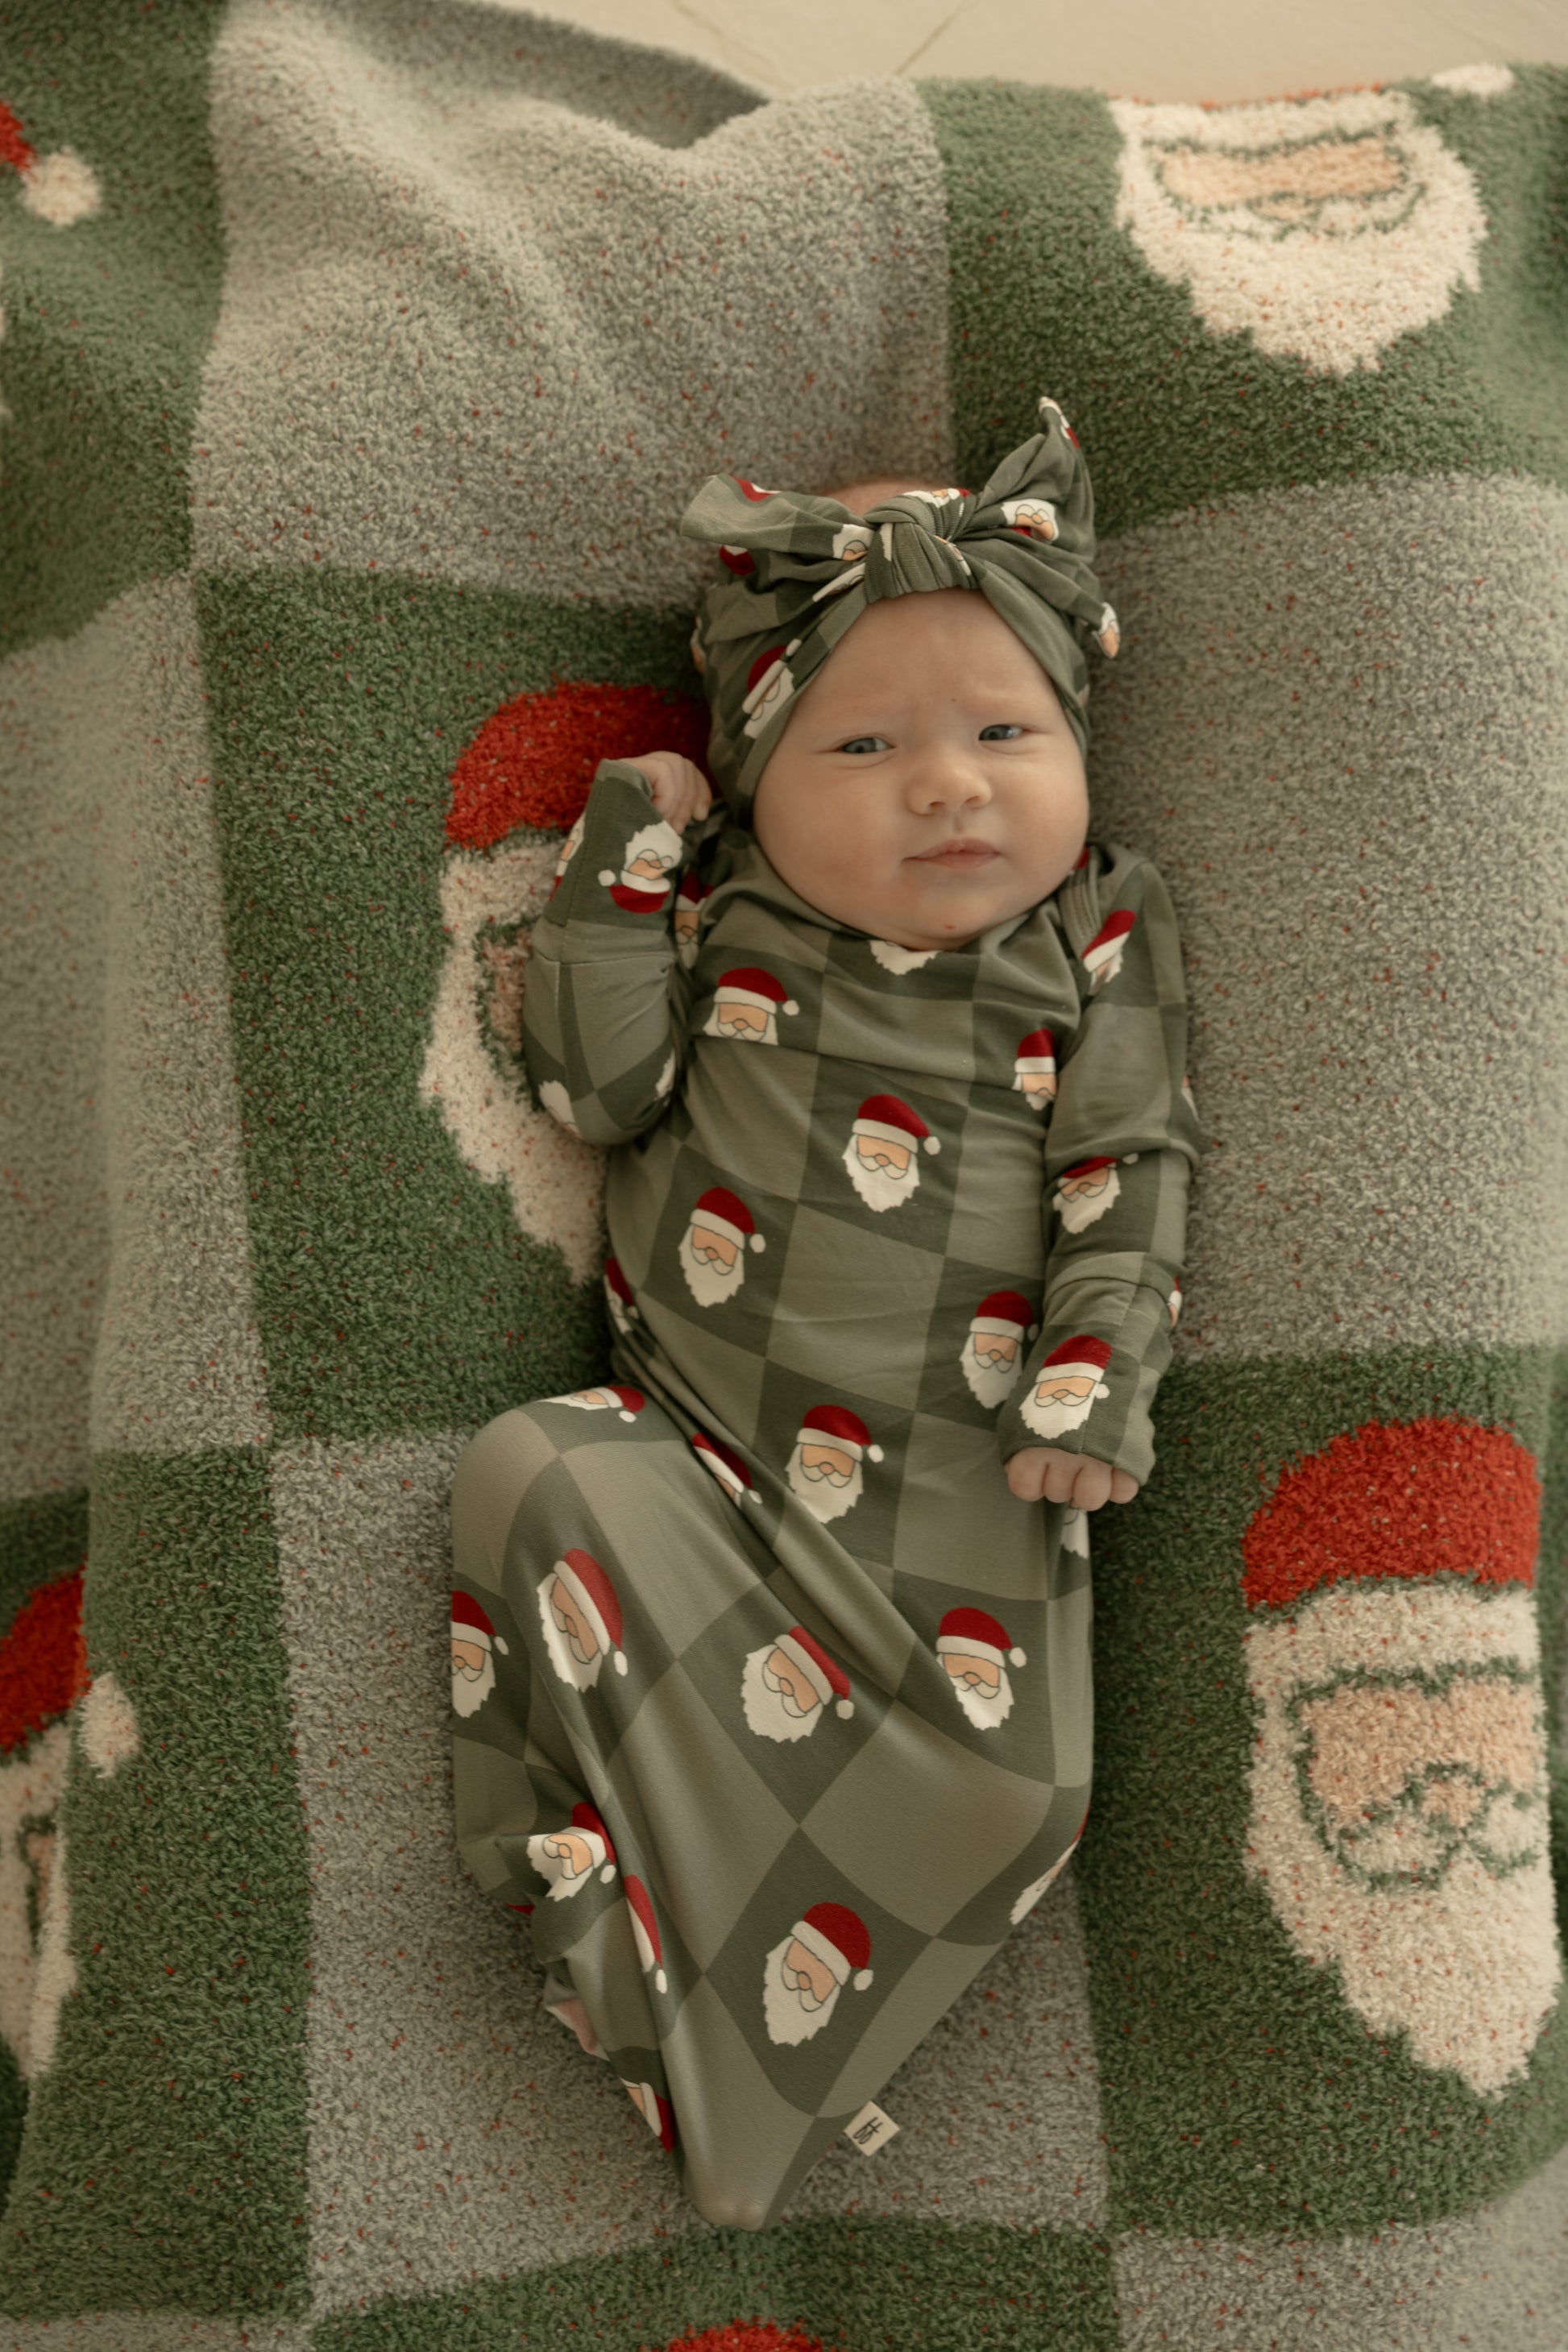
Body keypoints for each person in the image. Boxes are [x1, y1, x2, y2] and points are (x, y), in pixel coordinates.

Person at [448, 397, 1202, 2229]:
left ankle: (714, 2066)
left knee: (1014, 1792)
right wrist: (627, 848)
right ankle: (692, 2028)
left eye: (1004, 732)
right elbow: (593, 1092)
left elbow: (1130, 1162)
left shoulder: (1091, 932)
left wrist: (1098, 1373)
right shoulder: (724, 912)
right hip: (714, 1479)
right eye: (866, 740)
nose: (949, 783)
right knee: (531, 1469)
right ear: (760, 765)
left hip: (958, 1517)